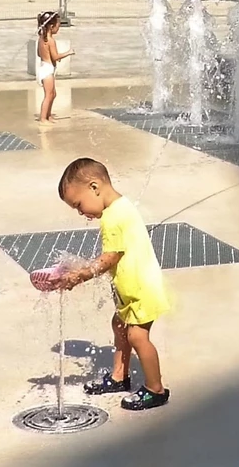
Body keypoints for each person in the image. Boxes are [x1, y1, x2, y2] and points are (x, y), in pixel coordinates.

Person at [56, 158, 171, 411]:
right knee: (119, 325)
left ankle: (156, 389)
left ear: (94, 187)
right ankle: (120, 377)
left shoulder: (112, 217)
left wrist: (82, 274)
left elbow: (110, 257)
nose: (81, 212)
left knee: (137, 336)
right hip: (132, 290)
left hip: (142, 291)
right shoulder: (120, 207)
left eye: (79, 204)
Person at [36, 11, 74, 125]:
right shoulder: (51, 41)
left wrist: (47, 57)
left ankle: (48, 115)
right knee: (48, 95)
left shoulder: (41, 39)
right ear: (52, 26)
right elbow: (56, 56)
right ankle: (43, 118)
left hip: (44, 67)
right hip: (47, 70)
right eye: (58, 26)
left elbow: (39, 54)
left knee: (53, 94)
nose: (59, 28)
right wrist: (68, 52)